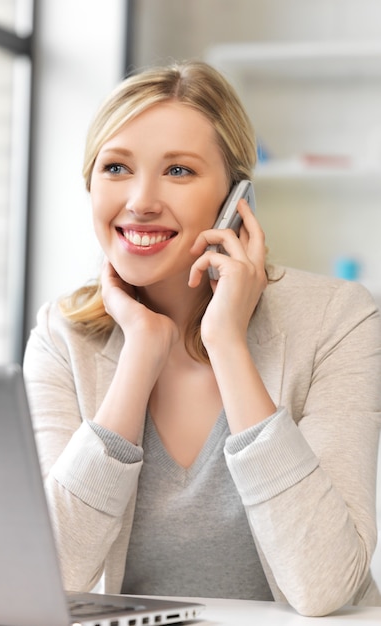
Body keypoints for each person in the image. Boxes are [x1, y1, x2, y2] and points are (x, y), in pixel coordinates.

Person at [23, 60, 381, 617]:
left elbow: (325, 585)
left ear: (235, 198)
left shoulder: (338, 320)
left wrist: (227, 344)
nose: (140, 200)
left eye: (180, 172)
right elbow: (46, 573)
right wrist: (140, 351)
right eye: (116, 167)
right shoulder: (60, 336)